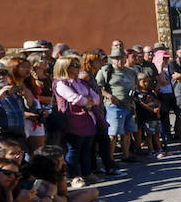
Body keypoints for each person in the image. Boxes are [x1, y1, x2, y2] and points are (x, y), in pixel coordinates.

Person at [51, 57, 100, 188]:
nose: (78, 67)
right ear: (65, 67)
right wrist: (86, 100)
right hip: (72, 120)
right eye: (74, 65)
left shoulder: (82, 83)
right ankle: (73, 176)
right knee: (74, 149)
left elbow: (96, 98)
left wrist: (87, 100)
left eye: (78, 64)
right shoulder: (61, 83)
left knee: (87, 149)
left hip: (88, 119)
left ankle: (87, 173)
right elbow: (74, 99)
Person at [96, 48, 142, 163]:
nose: (119, 60)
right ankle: (110, 159)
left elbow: (136, 86)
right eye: (116, 58)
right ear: (112, 59)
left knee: (127, 132)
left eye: (121, 57)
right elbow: (97, 87)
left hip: (129, 105)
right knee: (113, 133)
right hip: (114, 107)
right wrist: (109, 96)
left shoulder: (131, 71)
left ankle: (125, 155)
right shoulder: (106, 71)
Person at [132, 72, 165, 158]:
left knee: (157, 133)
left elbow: (157, 101)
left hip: (155, 116)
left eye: (147, 81)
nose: (146, 83)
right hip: (146, 117)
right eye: (144, 82)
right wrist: (153, 110)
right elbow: (142, 104)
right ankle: (151, 150)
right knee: (149, 135)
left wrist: (158, 109)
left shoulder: (151, 92)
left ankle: (159, 148)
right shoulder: (138, 94)